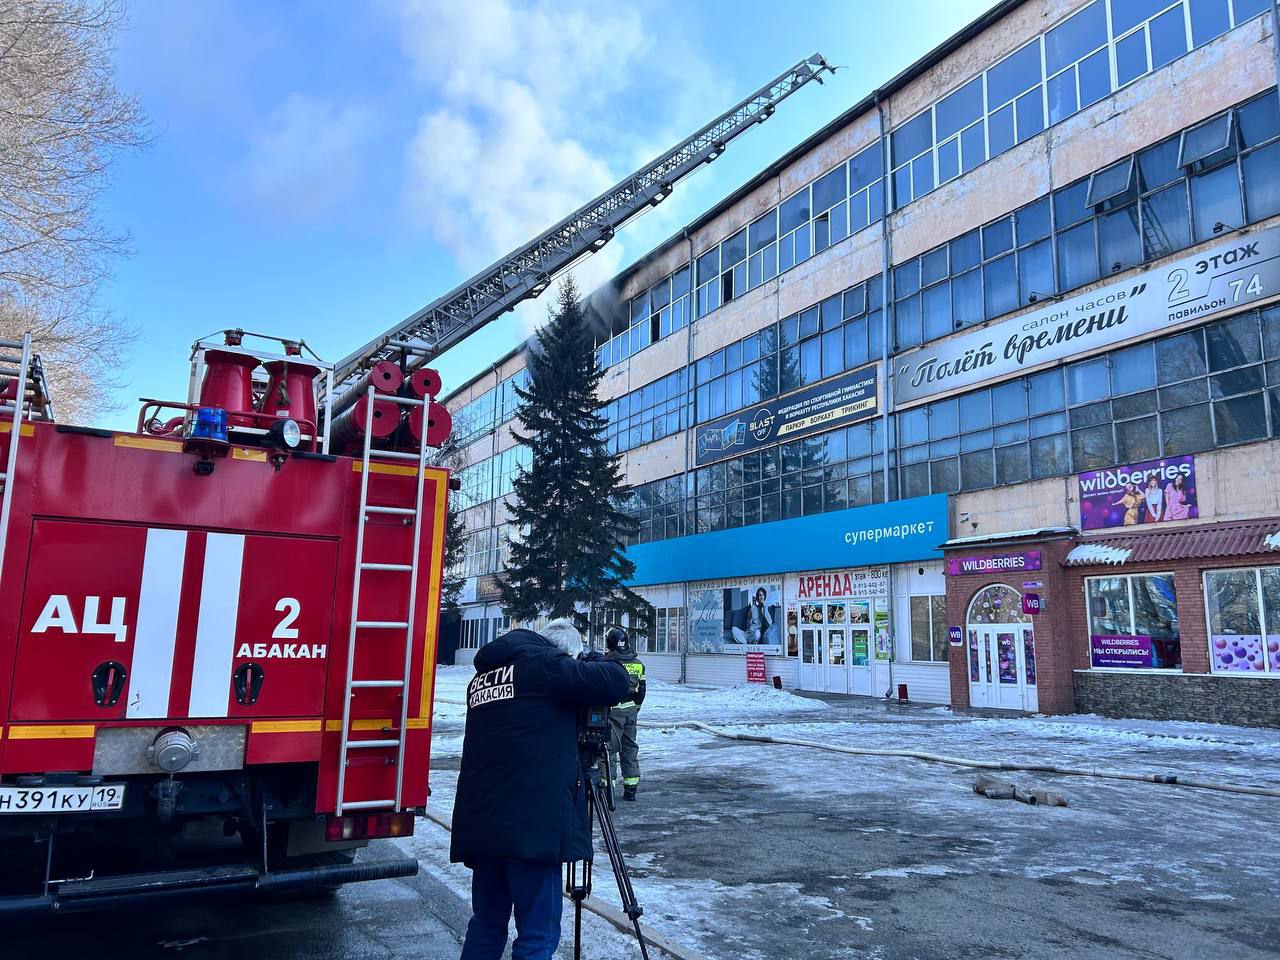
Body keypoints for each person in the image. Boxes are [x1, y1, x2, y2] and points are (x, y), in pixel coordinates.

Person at [451, 618, 630, 960]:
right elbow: (615, 681)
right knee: (538, 933)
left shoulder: (484, 677)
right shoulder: (544, 665)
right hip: (531, 828)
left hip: (484, 824)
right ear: (563, 655)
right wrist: (588, 659)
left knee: (487, 923)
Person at [603, 625, 646, 801]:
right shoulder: (638, 664)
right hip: (631, 711)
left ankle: (608, 789)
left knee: (609, 750)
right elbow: (641, 691)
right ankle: (631, 789)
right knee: (629, 748)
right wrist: (635, 709)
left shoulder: (610, 664)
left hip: (613, 711)